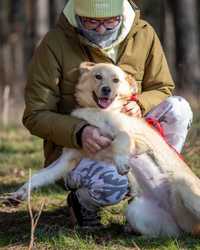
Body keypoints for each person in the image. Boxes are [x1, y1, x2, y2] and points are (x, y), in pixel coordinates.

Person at [23, 0, 193, 228]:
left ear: (121, 14)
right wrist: (79, 132)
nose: (101, 29)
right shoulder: (55, 43)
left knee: (178, 108)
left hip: (133, 134)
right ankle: (82, 202)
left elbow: (162, 87)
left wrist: (141, 104)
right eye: (92, 22)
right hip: (81, 149)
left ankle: (154, 187)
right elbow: (35, 114)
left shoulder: (143, 35)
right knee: (114, 182)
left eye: (110, 21)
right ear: (78, 16)